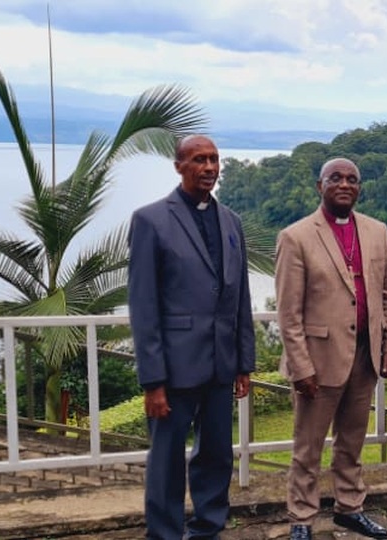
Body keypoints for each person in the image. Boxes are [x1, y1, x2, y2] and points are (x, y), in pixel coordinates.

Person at [127, 134, 255, 540]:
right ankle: (163, 533)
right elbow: (143, 304)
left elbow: (240, 297)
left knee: (216, 455)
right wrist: (153, 380)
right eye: (199, 159)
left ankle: (208, 528)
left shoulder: (231, 221)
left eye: (215, 159)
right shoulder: (151, 220)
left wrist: (244, 363)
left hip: (221, 364)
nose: (210, 168)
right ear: (179, 165)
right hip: (174, 367)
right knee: (166, 459)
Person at [275, 158, 387, 540]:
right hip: (318, 360)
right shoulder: (296, 236)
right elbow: (288, 313)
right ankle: (302, 517)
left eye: (352, 179)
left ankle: (349, 508)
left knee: (352, 442)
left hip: (364, 357)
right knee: (307, 448)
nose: (344, 184)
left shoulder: (377, 231)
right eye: (336, 179)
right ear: (320, 186)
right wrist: (301, 367)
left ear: (359, 187)